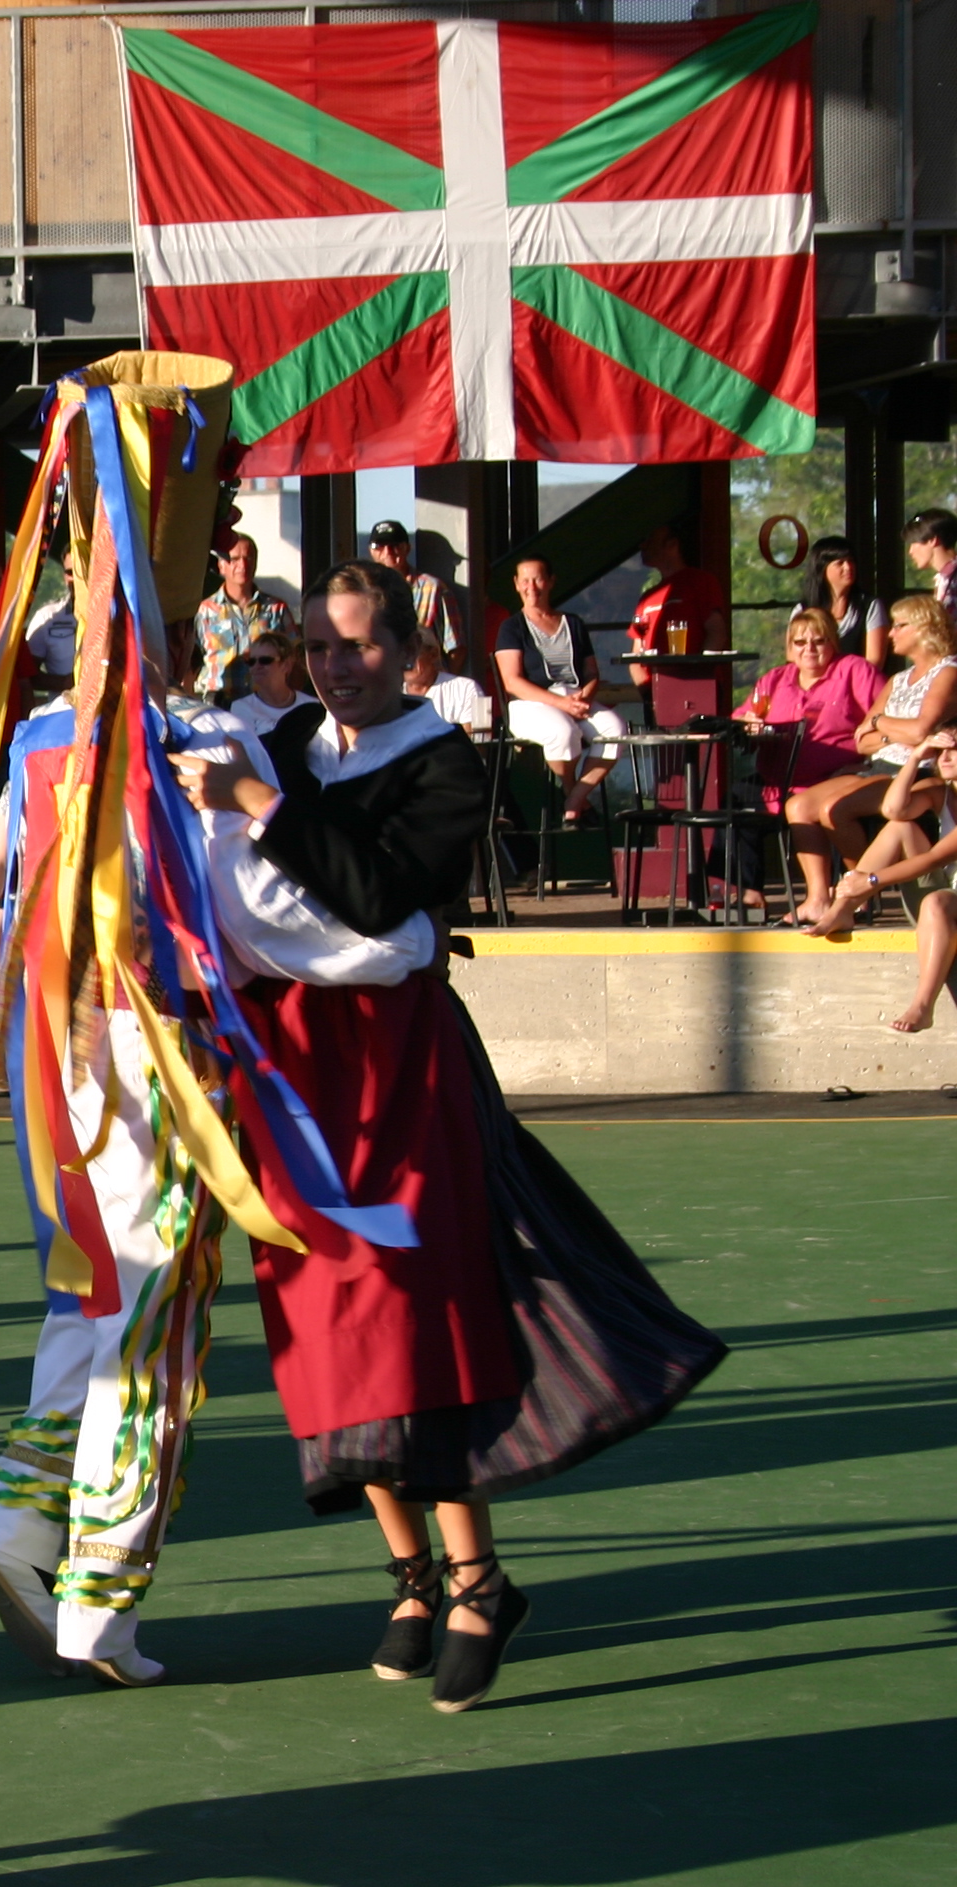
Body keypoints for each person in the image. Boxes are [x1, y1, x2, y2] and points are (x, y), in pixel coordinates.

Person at [174, 560, 724, 1713]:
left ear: (410, 652)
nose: (335, 665)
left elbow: (379, 894)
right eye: (320, 645)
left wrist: (262, 810)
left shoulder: (444, 757)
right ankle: (413, 1575)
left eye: (359, 645)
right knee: (319, 1311)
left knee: (409, 1303)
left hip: (393, 1054)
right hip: (285, 1058)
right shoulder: (285, 746)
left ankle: (477, 1575)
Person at [0, 680, 288, 1690]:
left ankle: (13, 1515)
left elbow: (10, 895)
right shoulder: (198, 732)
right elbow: (248, 904)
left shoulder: (38, 732)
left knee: (93, 1292)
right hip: (151, 1033)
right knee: (153, 1308)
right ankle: (102, 1588)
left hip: (51, 1036)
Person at [785, 595, 957, 928]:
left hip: (917, 769)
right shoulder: (898, 679)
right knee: (799, 806)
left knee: (835, 809)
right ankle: (818, 898)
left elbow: (922, 729)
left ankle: (858, 891)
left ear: (925, 628)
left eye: (900, 625)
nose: (890, 633)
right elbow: (861, 739)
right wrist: (890, 731)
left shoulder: (947, 672)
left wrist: (880, 725)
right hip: (878, 766)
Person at [819, 730, 957, 1024]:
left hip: (946, 903)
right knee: (899, 827)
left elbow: (935, 858)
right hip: (947, 896)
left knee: (935, 901)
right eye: (941, 751)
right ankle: (843, 910)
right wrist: (917, 755)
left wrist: (872, 880)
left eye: (954, 750)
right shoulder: (940, 791)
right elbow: (893, 809)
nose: (945, 757)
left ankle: (922, 1006)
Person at [494, 552, 625, 823]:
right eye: (526, 581)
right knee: (562, 732)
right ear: (517, 584)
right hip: (530, 703)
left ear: (551, 582)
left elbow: (591, 671)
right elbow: (512, 682)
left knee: (615, 728)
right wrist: (562, 704)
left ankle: (576, 797)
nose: (532, 587)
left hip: (575, 696)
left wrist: (585, 695)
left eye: (539, 579)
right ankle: (570, 791)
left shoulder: (573, 623)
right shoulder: (512, 627)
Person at [740, 608, 882, 799]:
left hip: (836, 786)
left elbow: (892, 718)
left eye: (819, 641)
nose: (809, 649)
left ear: (833, 642)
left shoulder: (854, 670)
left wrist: (867, 764)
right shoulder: (774, 679)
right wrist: (747, 724)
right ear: (790, 647)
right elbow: (740, 720)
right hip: (774, 789)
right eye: (800, 642)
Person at [626, 519, 728, 718]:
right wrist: (648, 693)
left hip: (698, 693)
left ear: (672, 545)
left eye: (650, 540)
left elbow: (717, 633)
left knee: (702, 747)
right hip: (658, 693)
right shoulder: (647, 597)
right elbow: (636, 655)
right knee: (665, 749)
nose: (642, 546)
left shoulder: (700, 582)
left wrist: (696, 677)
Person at [195, 531, 292, 697]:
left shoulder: (275, 609)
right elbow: (191, 664)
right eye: (234, 559)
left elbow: (294, 661)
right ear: (221, 566)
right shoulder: (206, 611)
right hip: (218, 703)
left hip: (264, 704)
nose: (243, 565)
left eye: (248, 558)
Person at [368, 521, 459, 667]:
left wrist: (441, 686)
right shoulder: (364, 591)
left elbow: (455, 648)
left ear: (407, 549)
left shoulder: (433, 588)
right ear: (370, 551)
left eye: (395, 545)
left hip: (425, 683)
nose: (387, 552)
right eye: (379, 546)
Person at [801, 535, 885, 664]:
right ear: (822, 569)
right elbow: (794, 658)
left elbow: (874, 662)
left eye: (851, 561)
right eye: (840, 563)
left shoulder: (870, 606)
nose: (848, 567)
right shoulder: (803, 609)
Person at [222, 628, 309, 737]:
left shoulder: (311, 705)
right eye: (251, 662)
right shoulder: (241, 708)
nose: (256, 667)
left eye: (265, 660)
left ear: (286, 665)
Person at [408, 635, 495, 734]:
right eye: (401, 655)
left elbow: (481, 740)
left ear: (433, 654)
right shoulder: (391, 694)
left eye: (413, 654)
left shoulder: (468, 688)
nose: (407, 661)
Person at [906, 507, 957, 612]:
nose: (910, 551)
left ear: (932, 540)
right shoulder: (944, 578)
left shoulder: (953, 578)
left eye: (914, 542)